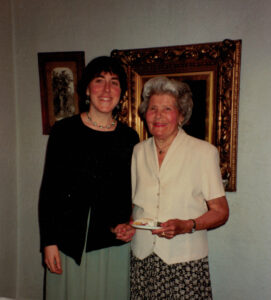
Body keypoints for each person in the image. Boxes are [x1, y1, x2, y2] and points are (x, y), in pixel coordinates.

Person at [116, 76, 229, 299]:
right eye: (153, 108)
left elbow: (221, 212)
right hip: (143, 259)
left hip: (183, 262)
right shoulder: (138, 151)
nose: (158, 115)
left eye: (167, 108)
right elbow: (137, 204)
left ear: (181, 115)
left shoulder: (203, 152)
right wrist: (130, 225)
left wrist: (188, 225)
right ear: (145, 113)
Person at [38, 56, 139, 300]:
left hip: (110, 243)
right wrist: (48, 242)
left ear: (121, 92)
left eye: (114, 82)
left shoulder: (129, 137)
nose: (107, 89)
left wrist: (131, 222)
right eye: (99, 81)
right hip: (67, 244)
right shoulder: (64, 131)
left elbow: (134, 192)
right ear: (86, 88)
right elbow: (49, 190)